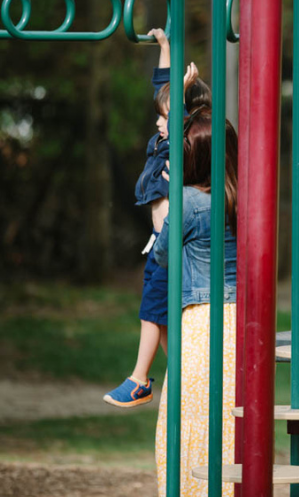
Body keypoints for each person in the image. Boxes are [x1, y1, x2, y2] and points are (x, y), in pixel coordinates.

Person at [104, 28, 210, 408]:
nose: (159, 123)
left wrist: (179, 97)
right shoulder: (160, 144)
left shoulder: (180, 148)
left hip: (173, 246)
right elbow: (162, 93)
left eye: (166, 117)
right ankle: (189, 374)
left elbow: (181, 118)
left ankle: (138, 380)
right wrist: (165, 48)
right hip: (160, 247)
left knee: (151, 312)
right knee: (161, 318)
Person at [151, 107, 238, 497]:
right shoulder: (244, 199)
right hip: (241, 321)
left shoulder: (187, 201)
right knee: (229, 422)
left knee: (187, 421)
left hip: (202, 323)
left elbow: (161, 256)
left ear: (194, 157)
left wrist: (167, 201)